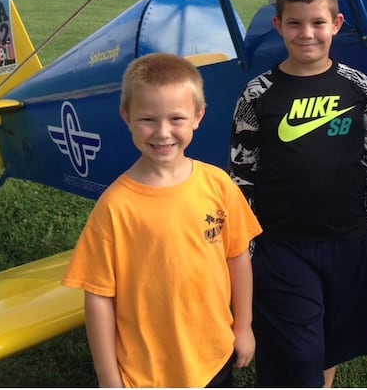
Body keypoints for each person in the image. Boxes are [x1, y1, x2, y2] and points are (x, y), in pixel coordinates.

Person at [229, 0, 367, 388]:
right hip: (282, 247)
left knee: (329, 347)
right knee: (298, 355)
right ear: (278, 25)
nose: (307, 34)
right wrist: (245, 250)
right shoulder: (257, 95)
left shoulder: (358, 88)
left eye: (318, 23)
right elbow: (241, 177)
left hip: (349, 242)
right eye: (295, 23)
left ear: (336, 26)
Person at [62, 52, 262, 388]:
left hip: (213, 357)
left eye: (177, 118)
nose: (163, 132)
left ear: (199, 116)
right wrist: (108, 376)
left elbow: (238, 257)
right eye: (148, 120)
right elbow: (98, 297)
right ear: (126, 117)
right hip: (146, 373)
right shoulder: (115, 207)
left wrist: (243, 326)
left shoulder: (218, 185)